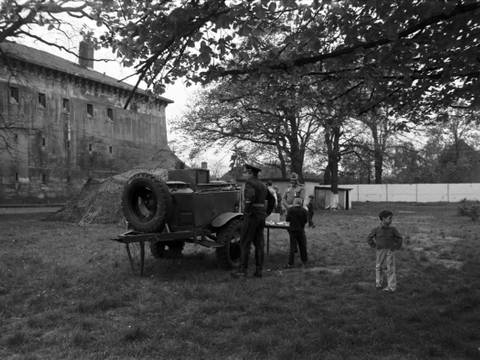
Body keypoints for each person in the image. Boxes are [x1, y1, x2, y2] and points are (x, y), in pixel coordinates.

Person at [232, 163, 268, 278]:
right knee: (259, 243)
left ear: (250, 173)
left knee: (245, 243)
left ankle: (242, 271)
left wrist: (246, 212)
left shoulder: (249, 183)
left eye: (245, 172)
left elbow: (250, 198)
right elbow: (271, 200)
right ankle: (259, 270)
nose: (244, 174)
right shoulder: (262, 185)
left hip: (252, 216)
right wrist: (266, 213)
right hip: (261, 216)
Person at [367, 210, 403, 293]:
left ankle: (391, 287)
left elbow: (400, 238)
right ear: (383, 219)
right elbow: (369, 238)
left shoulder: (393, 229)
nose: (391, 220)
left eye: (391, 218)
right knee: (379, 267)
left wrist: (396, 247)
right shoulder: (376, 230)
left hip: (390, 251)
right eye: (389, 218)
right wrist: (374, 246)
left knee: (390, 268)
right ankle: (378, 283)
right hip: (380, 251)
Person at [285, 197, 308, 268]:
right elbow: (305, 221)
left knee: (292, 247)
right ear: (301, 203)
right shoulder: (304, 210)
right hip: (301, 230)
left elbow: (287, 219)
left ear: (294, 202)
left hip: (293, 230)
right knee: (302, 246)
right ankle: (304, 261)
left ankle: (290, 263)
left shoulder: (290, 210)